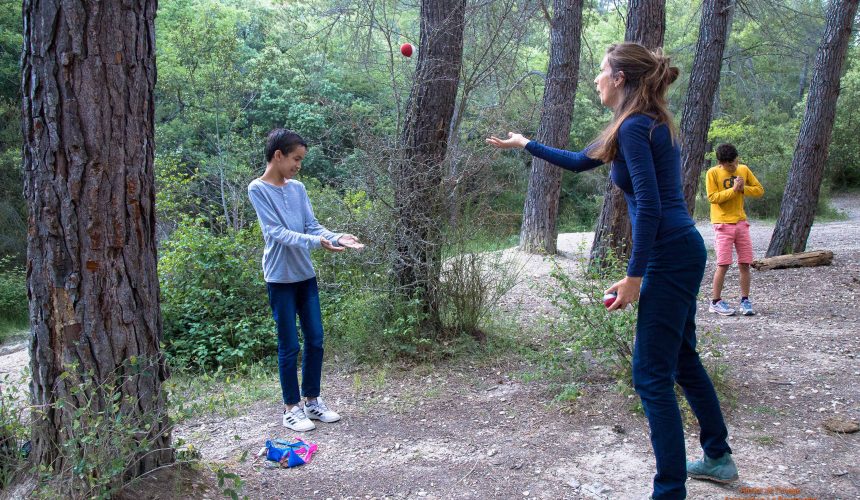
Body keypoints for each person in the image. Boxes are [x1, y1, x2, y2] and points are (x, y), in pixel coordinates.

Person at [486, 43, 737, 499]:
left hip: (669, 253)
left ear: (620, 78)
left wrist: (636, 277)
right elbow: (582, 161)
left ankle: (670, 491)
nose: (596, 78)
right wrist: (526, 144)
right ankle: (717, 457)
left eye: (602, 71)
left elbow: (654, 207)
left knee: (650, 375)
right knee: (680, 358)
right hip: (679, 250)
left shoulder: (639, 126)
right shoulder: (638, 124)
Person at [248, 128, 364, 432]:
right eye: (296, 159)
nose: (298, 165)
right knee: (289, 344)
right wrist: (317, 243)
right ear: (278, 155)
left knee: (315, 338)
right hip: (279, 278)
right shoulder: (257, 189)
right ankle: (291, 408)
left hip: (305, 276)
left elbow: (312, 226)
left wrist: (337, 236)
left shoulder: (297, 188)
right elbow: (276, 233)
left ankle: (312, 401)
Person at [706, 143, 764, 316]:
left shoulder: (743, 169)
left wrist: (743, 188)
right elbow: (713, 197)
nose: (733, 167)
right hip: (722, 224)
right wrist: (733, 190)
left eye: (735, 163)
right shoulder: (713, 173)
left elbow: (759, 190)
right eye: (729, 165)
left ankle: (745, 300)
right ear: (720, 163)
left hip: (741, 223)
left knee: (745, 263)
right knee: (723, 264)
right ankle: (715, 301)